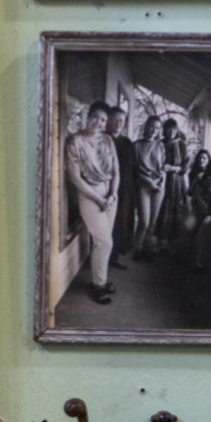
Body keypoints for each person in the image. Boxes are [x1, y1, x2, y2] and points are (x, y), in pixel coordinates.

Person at [64, 100, 119, 304]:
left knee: (101, 241)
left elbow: (116, 171)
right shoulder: (75, 141)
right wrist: (99, 198)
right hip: (89, 194)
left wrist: (113, 194)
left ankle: (99, 280)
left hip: (109, 193)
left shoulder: (108, 140)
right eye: (96, 117)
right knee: (105, 241)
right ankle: (98, 286)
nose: (99, 122)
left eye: (103, 119)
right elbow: (75, 177)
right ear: (88, 116)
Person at [133, 115, 166, 259]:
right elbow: (134, 170)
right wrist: (149, 182)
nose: (154, 130)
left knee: (152, 222)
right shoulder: (137, 145)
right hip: (144, 185)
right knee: (144, 221)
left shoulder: (160, 145)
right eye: (152, 126)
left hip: (158, 186)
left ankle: (147, 250)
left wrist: (161, 182)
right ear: (146, 126)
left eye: (157, 128)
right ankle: (137, 249)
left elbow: (163, 167)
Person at [107, 105, 136, 266]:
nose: (119, 123)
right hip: (105, 190)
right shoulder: (103, 139)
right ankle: (102, 258)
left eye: (122, 120)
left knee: (121, 223)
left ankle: (115, 256)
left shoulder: (127, 143)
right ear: (109, 120)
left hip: (125, 191)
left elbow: (133, 168)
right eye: (116, 119)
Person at [156, 118, 189, 246]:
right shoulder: (160, 143)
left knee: (176, 209)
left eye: (174, 128)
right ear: (165, 130)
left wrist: (172, 168)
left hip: (177, 183)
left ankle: (173, 241)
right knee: (162, 208)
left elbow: (185, 167)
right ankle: (160, 240)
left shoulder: (181, 144)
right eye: (169, 128)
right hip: (163, 180)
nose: (172, 131)